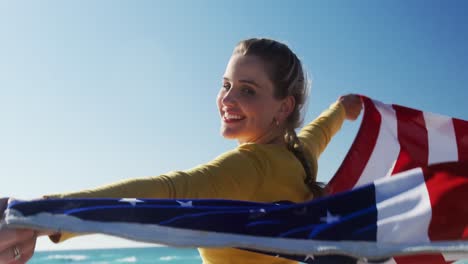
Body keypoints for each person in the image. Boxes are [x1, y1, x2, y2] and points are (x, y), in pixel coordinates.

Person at [0, 38, 362, 264]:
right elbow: (323, 128)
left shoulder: (250, 167)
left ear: (283, 108)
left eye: (247, 90)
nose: (227, 99)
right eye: (226, 85)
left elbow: (168, 191)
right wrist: (343, 109)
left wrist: (48, 212)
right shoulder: (301, 153)